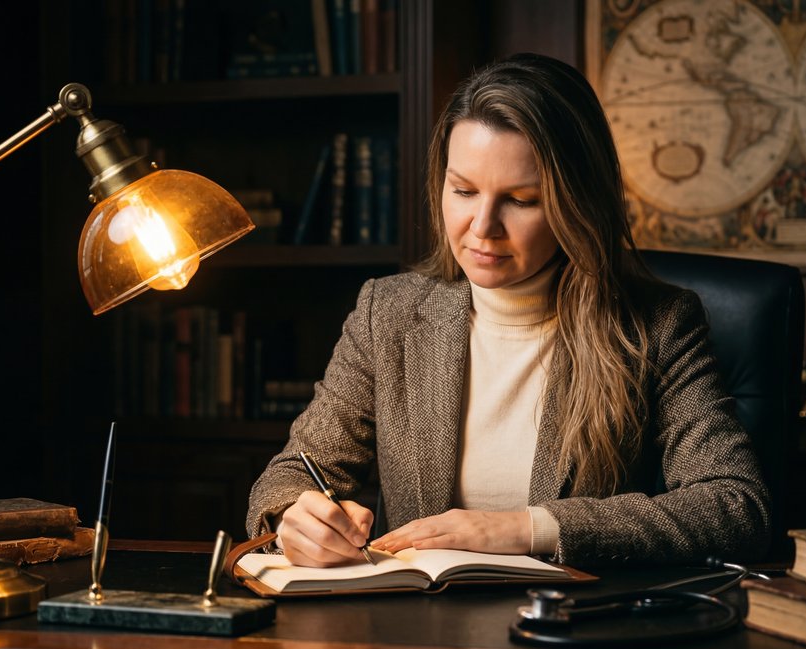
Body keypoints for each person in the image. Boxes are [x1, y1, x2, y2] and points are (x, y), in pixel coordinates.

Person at [246, 53, 770, 568]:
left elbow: (734, 507)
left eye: (521, 200)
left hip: (570, 634)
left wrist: (527, 528)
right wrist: (294, 519)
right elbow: (291, 474)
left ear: (576, 204)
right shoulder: (389, 312)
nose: (482, 227)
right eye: (464, 190)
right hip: (418, 632)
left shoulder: (657, 325)